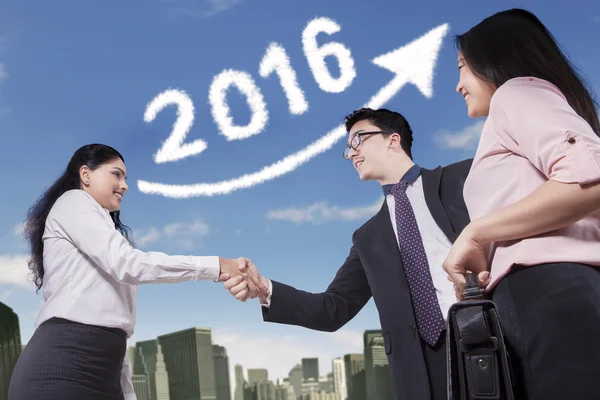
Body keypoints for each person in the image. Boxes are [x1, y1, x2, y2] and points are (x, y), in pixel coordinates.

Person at [220, 107, 472, 400]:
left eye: (358, 140)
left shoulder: (461, 178)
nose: (351, 154)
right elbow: (332, 309)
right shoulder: (368, 238)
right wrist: (265, 289)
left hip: (484, 339)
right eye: (347, 149)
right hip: (419, 373)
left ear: (393, 139)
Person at [8, 144, 267, 400]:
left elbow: (119, 325)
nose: (125, 185)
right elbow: (129, 264)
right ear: (85, 175)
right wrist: (218, 265)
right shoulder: (73, 202)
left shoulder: (104, 234)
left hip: (104, 374)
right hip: (62, 367)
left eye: (125, 178)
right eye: (116, 174)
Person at [442, 8, 600, 399]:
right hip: (559, 293)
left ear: (494, 59)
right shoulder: (535, 109)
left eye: (462, 66)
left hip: (546, 292)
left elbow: (591, 178)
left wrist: (478, 231)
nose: (458, 84)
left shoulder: (516, 93)